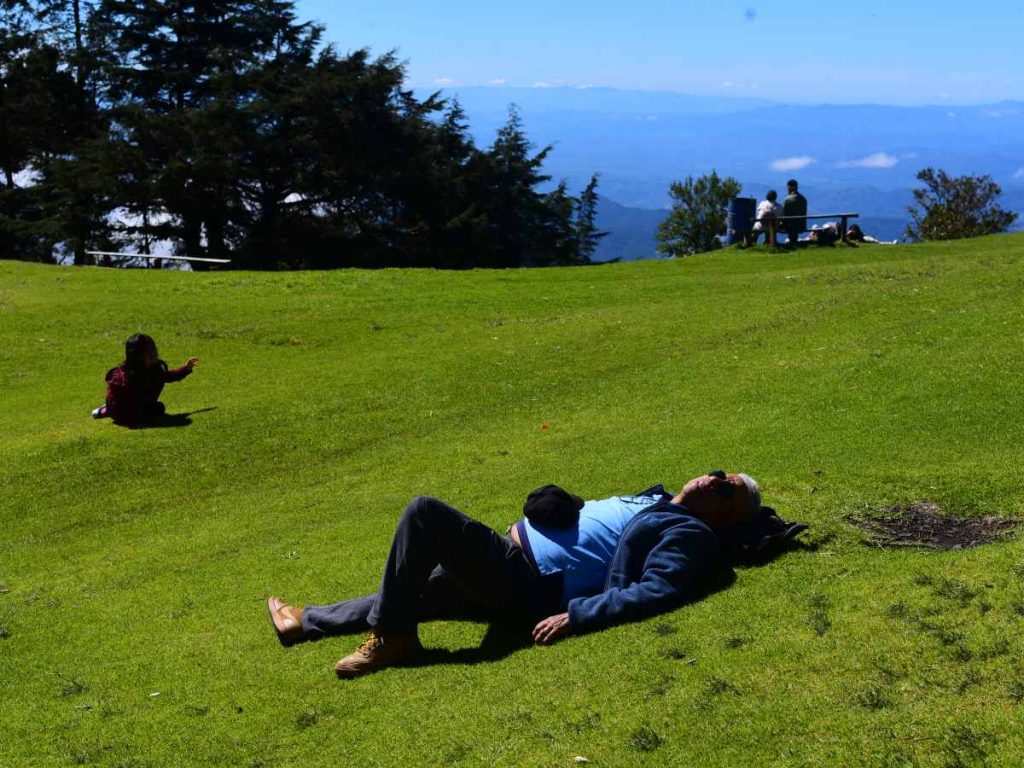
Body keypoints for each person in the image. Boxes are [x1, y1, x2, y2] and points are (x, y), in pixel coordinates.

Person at [268, 471, 762, 679]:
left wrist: (577, 615)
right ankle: (307, 620)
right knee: (414, 587)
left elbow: (659, 589)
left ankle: (393, 639)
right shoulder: (656, 499)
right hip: (514, 561)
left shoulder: (690, 533)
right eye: (719, 474)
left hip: (531, 584)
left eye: (726, 490)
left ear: (725, 516)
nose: (712, 481)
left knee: (425, 515)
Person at [92, 333, 198, 425]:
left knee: (157, 407)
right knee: (157, 408)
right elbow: (119, 399)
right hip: (126, 412)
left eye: (153, 348)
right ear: (139, 355)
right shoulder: (131, 375)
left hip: (123, 411)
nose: (154, 352)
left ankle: (104, 411)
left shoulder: (149, 369)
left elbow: (168, 376)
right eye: (150, 350)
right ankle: (105, 410)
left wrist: (186, 368)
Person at [781, 179, 808, 244]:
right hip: (802, 225)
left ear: (789, 187)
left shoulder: (787, 199)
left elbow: (783, 213)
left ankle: (770, 242)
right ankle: (794, 242)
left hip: (790, 226)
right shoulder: (803, 198)